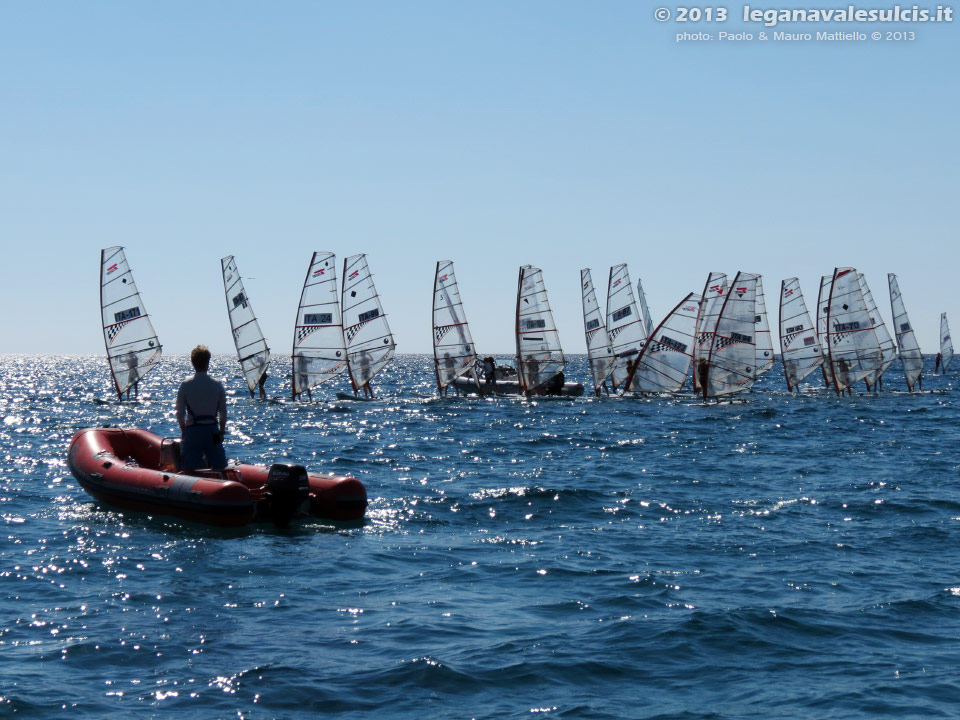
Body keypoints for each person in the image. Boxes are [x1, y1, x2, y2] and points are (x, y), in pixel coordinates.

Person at [175, 345, 228, 472]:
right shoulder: (217, 385)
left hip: (193, 432)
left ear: (193, 363)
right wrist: (221, 431)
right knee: (220, 468)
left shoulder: (185, 385)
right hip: (213, 431)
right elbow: (223, 412)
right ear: (208, 362)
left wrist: (183, 431)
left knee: (189, 470)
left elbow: (179, 413)